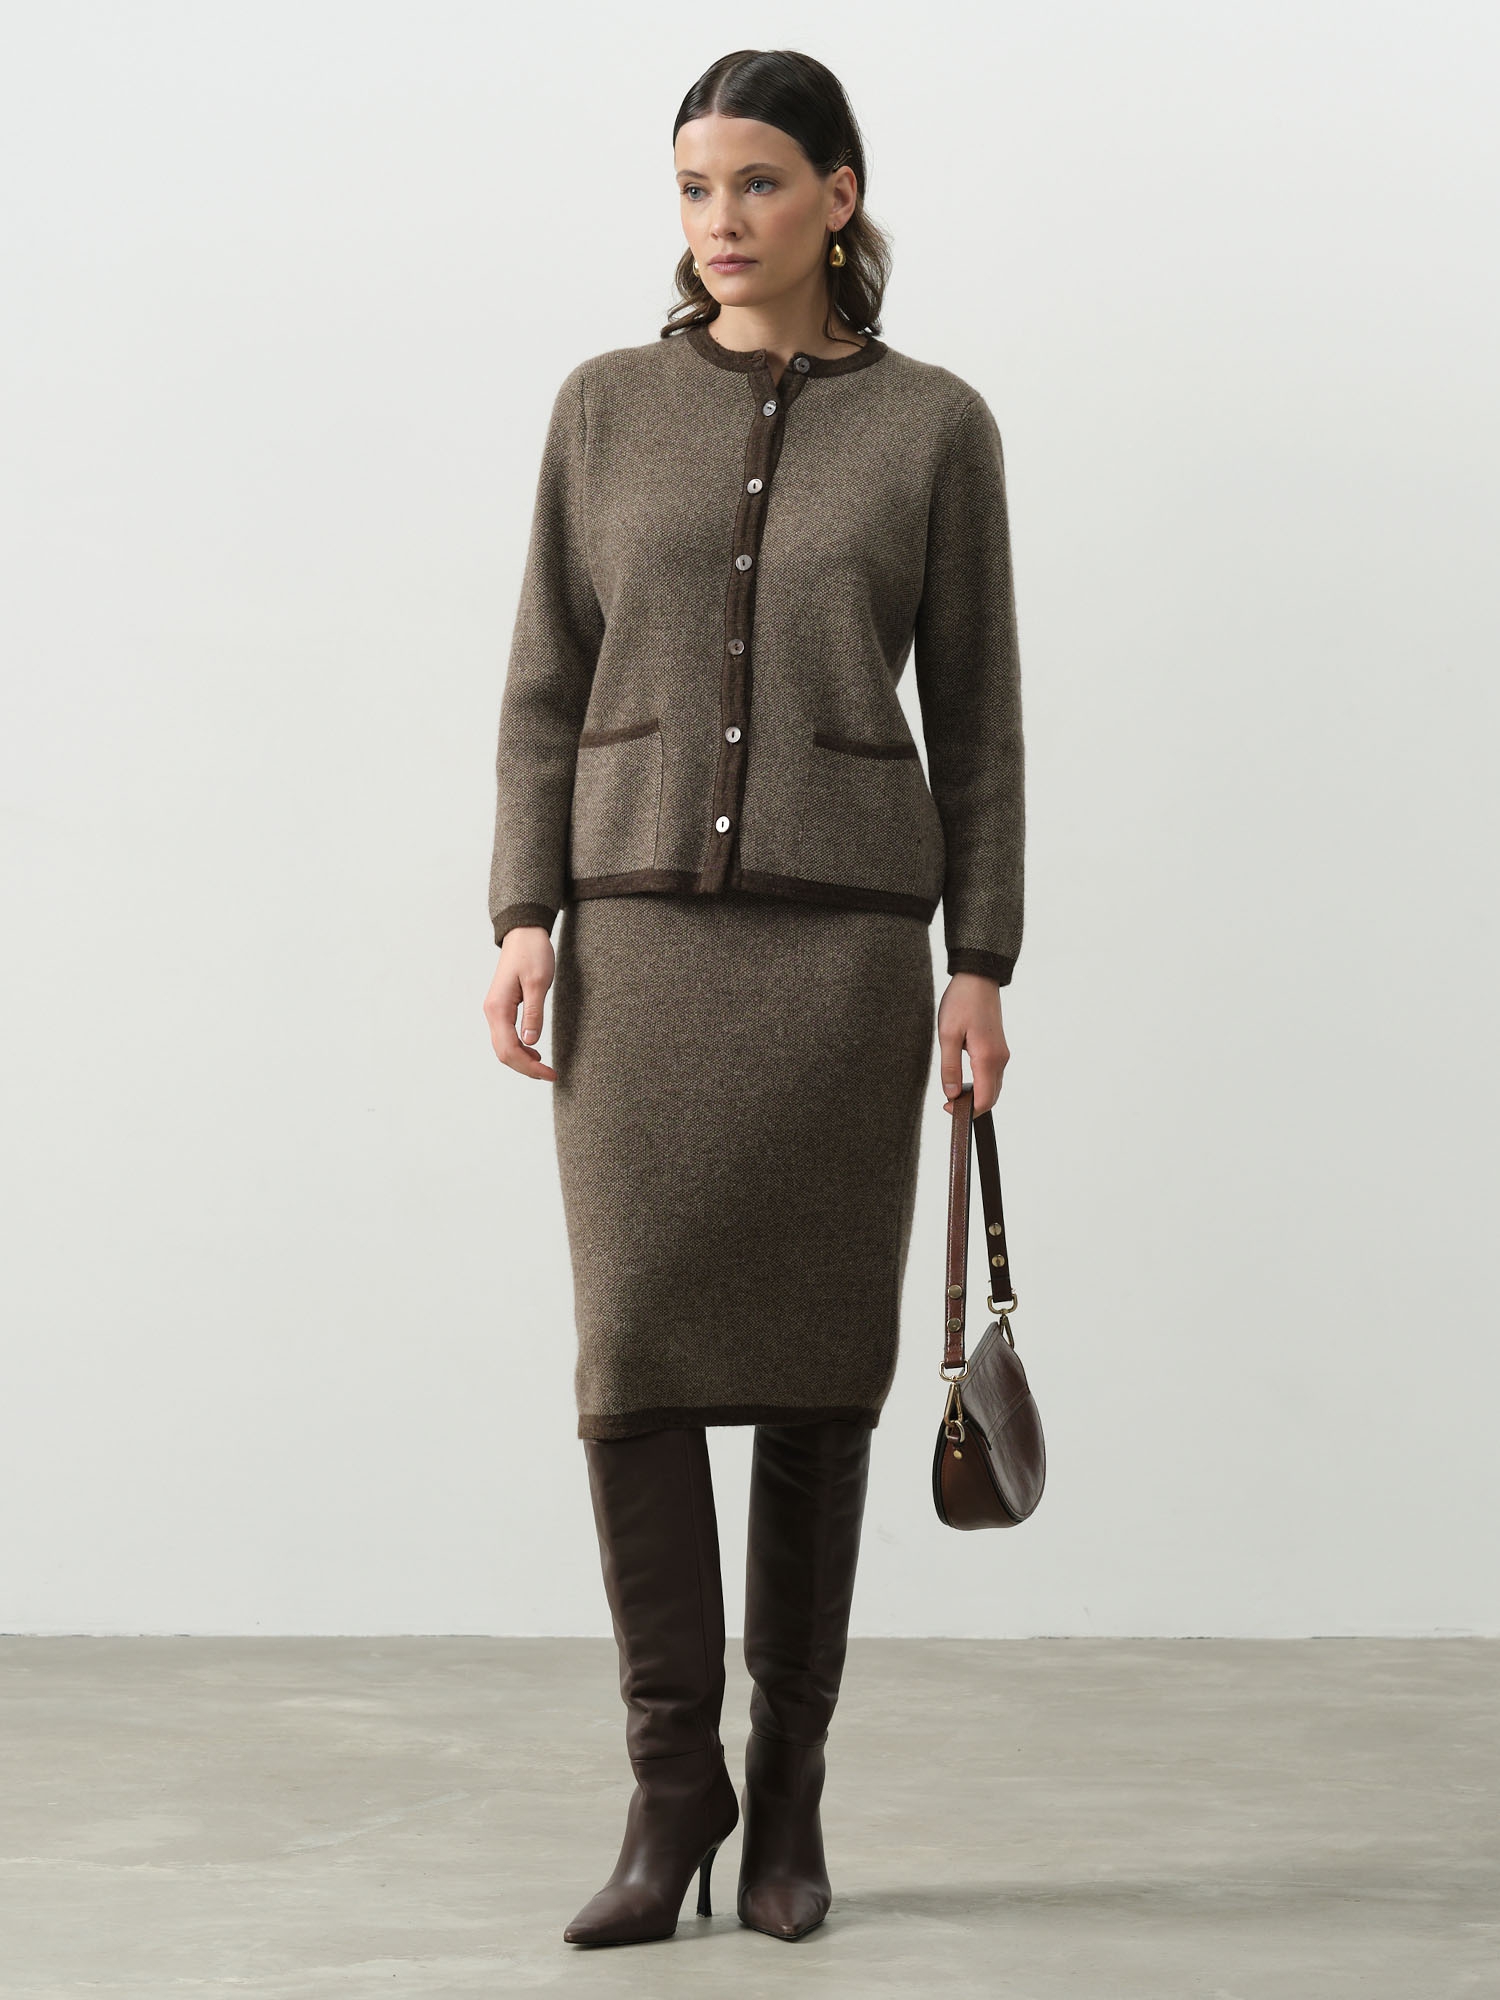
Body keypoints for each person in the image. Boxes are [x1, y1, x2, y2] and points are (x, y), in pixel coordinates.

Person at [482, 47, 1025, 1948]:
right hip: (635, 944)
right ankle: (672, 1790)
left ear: (840, 198)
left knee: (817, 1381)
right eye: (696, 189)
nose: (722, 222)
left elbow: (981, 714)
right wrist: (524, 911)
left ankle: (786, 1799)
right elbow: (543, 680)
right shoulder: (603, 408)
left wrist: (980, 959)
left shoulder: (936, 426)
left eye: (761, 185)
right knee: (630, 1364)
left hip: (842, 961)